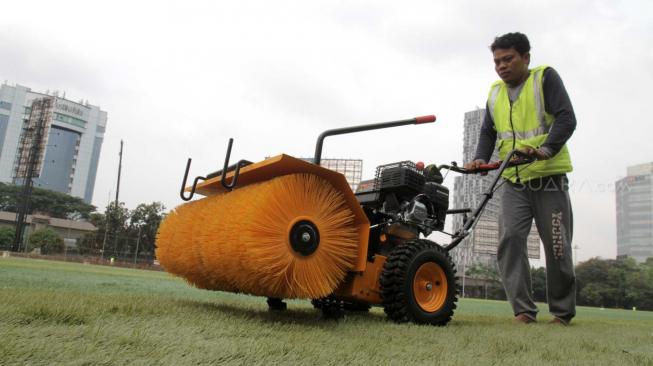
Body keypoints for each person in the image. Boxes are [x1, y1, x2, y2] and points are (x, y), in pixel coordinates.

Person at [464, 32, 576, 325]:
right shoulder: (495, 93)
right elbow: (488, 131)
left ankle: (562, 312)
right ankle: (523, 310)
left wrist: (546, 149)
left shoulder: (544, 79)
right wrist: (480, 157)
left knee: (557, 244)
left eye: (508, 59)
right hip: (513, 181)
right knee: (510, 239)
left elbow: (566, 117)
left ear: (526, 57)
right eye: (497, 61)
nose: (501, 66)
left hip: (547, 178)